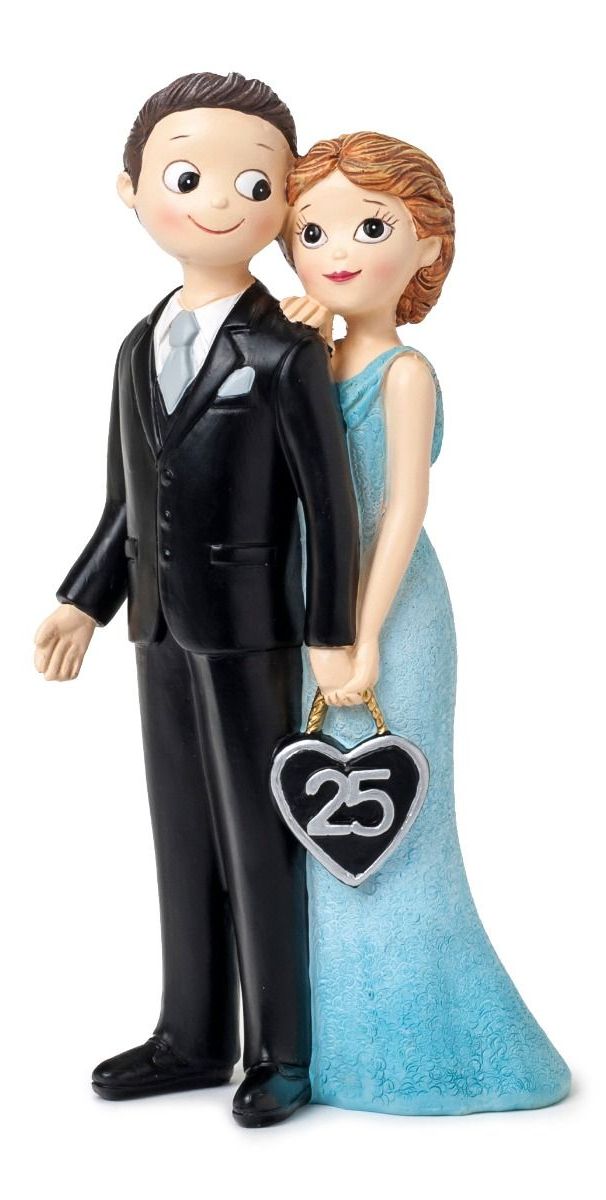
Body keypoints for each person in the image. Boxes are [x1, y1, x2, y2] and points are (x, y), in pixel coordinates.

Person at [33, 73, 359, 1129]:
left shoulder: (284, 349)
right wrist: (82, 601)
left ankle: (281, 1050)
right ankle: (193, 1033)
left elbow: (330, 508)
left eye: (254, 184)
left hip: (253, 628)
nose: (220, 201)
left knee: (259, 840)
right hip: (157, 624)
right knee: (180, 833)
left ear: (286, 201)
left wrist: (330, 631)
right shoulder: (137, 347)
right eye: (186, 177)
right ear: (130, 189)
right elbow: (124, 500)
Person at [282, 131, 571, 1115]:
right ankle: (331, 1045)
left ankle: (432, 1048)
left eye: (371, 228)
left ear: (429, 247)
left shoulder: (405, 374)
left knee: (402, 831)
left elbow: (401, 510)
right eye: (312, 231)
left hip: (391, 614)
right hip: (313, 616)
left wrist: (361, 635)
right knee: (318, 829)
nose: (338, 251)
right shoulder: (310, 362)